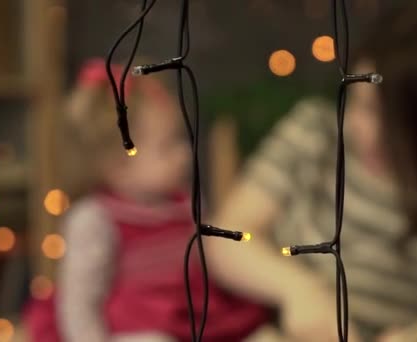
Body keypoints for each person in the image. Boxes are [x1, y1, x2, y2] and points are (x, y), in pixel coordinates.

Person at [205, 4, 417, 342]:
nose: (367, 132)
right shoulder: (318, 136)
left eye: (393, 122)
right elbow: (228, 237)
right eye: (362, 105)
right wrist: (299, 291)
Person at [24, 58, 269, 342]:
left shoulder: (183, 201)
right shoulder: (95, 218)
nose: (184, 155)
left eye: (180, 140)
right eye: (167, 147)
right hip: (129, 329)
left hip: (188, 315)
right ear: (116, 163)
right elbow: (80, 303)